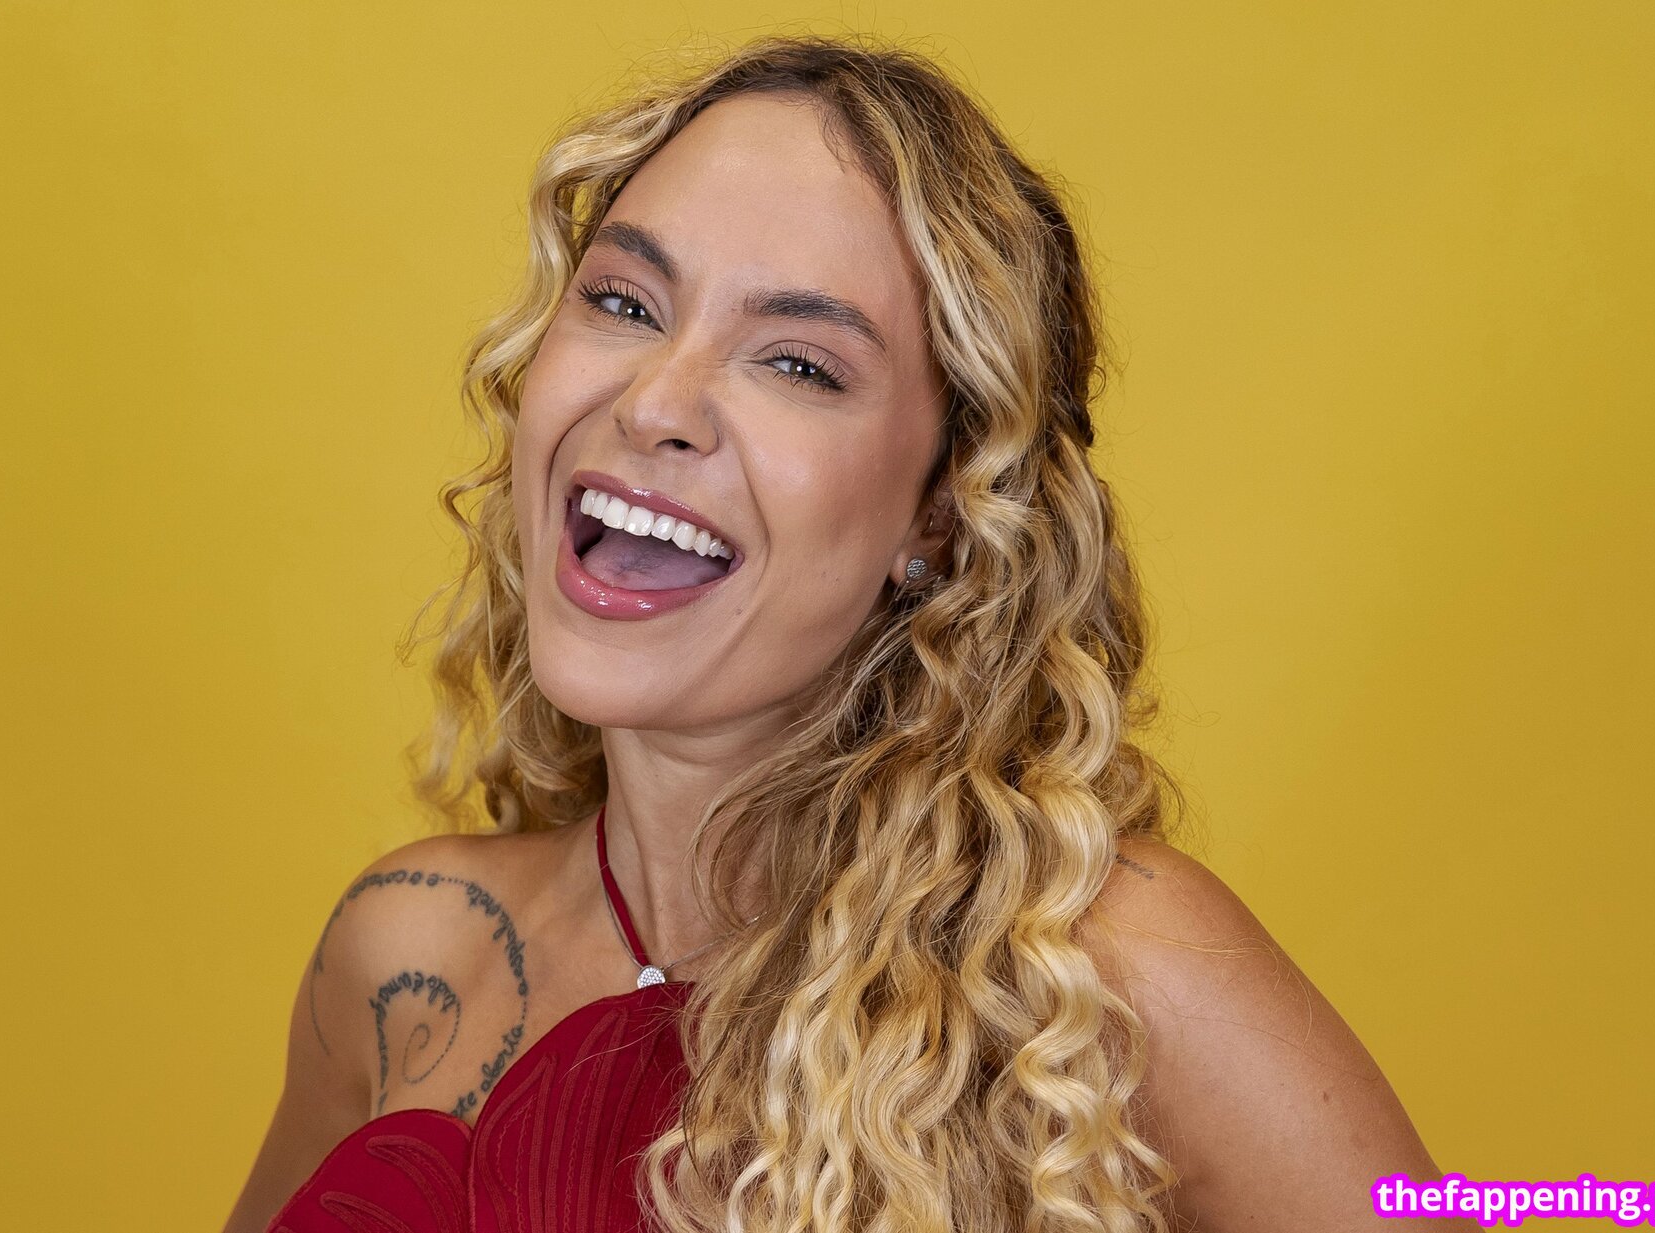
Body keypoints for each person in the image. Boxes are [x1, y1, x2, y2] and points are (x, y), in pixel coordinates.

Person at [223, 32, 1447, 1233]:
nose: (654, 402)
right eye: (623, 300)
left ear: (942, 514)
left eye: (800, 365)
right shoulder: (406, 951)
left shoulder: (1099, 971)